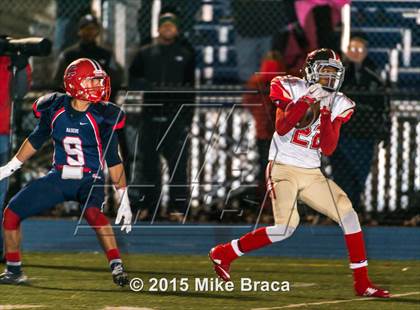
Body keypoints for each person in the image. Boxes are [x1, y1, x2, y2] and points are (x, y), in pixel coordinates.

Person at [209, 49, 390, 298]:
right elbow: (283, 128)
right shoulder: (288, 86)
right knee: (285, 228)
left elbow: (328, 147)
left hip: (311, 172)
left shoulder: (341, 103)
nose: (329, 78)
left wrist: (325, 112)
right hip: (283, 167)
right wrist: (306, 100)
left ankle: (362, 283)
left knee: (349, 215)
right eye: (325, 71)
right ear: (311, 71)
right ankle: (224, 252)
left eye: (334, 73)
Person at [0, 58, 132, 286]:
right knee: (11, 214)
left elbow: (113, 158)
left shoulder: (104, 115)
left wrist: (123, 197)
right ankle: (14, 270)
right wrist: (11, 167)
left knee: (93, 214)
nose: (98, 86)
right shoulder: (54, 106)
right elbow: (36, 139)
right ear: (76, 82)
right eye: (93, 81)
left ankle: (116, 265)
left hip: (90, 178)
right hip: (59, 177)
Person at [129, 12, 195, 221]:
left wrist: (187, 118)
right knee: (148, 165)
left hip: (175, 117)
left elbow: (191, 90)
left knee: (177, 165)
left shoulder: (185, 55)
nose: (168, 28)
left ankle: (178, 208)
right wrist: (147, 86)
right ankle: (148, 206)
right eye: (164, 25)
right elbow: (133, 79)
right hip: (150, 115)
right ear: (158, 28)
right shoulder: (145, 53)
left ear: (177, 29)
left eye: (171, 25)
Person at [330, 36, 388, 213]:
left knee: (360, 172)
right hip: (341, 133)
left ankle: (353, 206)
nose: (355, 53)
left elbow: (383, 107)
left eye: (359, 49)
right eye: (352, 49)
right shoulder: (336, 77)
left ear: (366, 52)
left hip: (364, 133)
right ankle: (342, 208)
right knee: (341, 172)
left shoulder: (374, 77)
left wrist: (383, 130)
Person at [242, 51, 286, 207]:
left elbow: (248, 102)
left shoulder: (258, 81)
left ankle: (270, 202)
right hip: (272, 132)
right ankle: (270, 202)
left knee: (268, 167)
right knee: (270, 167)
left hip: (273, 132)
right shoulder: (263, 81)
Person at [0, 53, 31, 262]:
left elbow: (20, 93)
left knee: (0, 192)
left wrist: (20, 68)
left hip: (1, 132)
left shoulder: (8, 57)